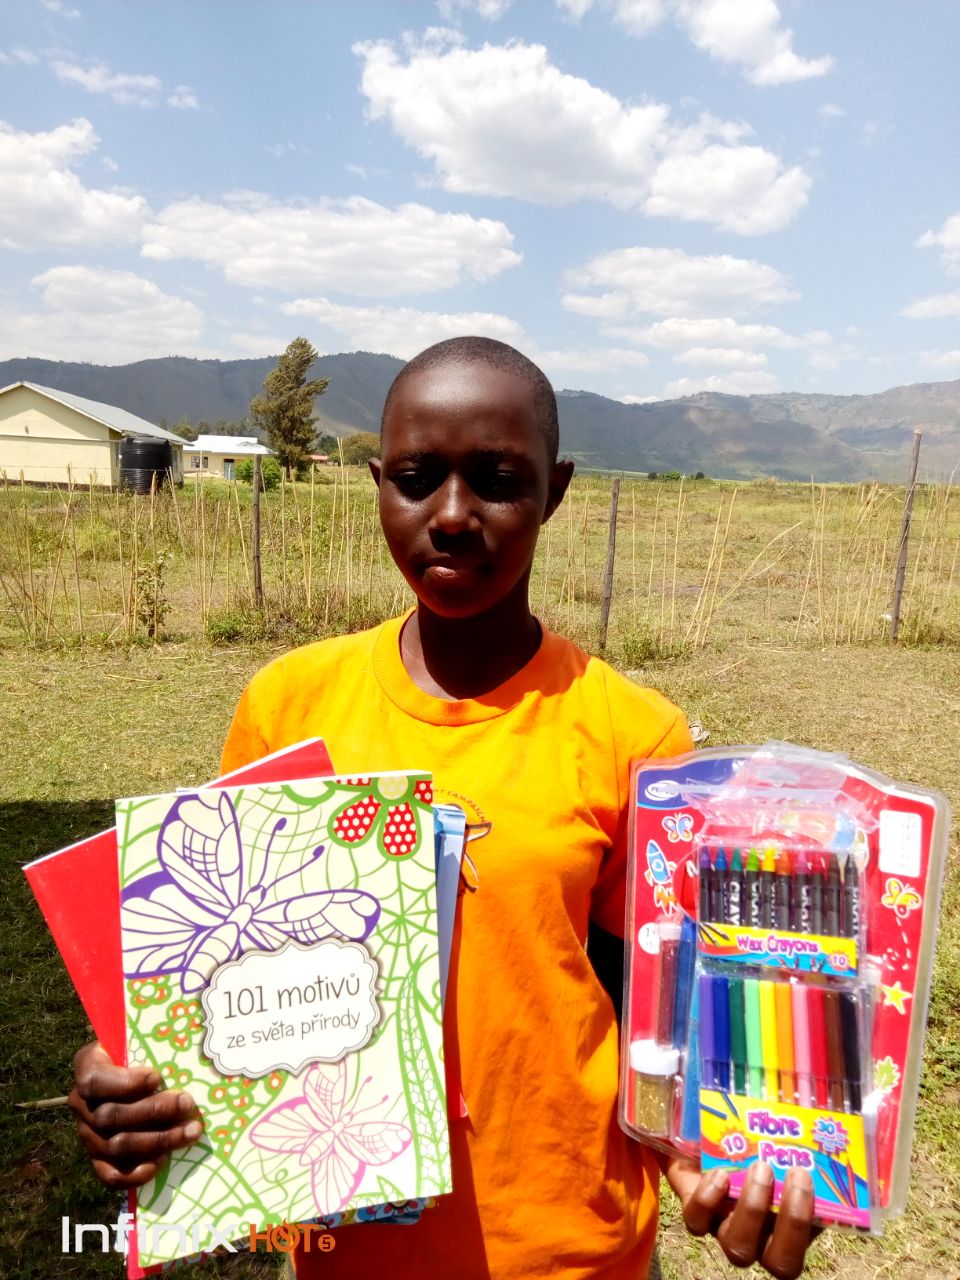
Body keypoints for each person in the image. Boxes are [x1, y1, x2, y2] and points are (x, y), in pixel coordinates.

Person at [70, 338, 815, 1279]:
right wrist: (127, 1071)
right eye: (417, 479)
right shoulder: (289, 707)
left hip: (569, 1244)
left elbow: (667, 1003)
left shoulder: (635, 737)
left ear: (556, 490)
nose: (453, 515)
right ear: (378, 484)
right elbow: (216, 965)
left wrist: (728, 1149)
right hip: (348, 1241)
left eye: (498, 481)